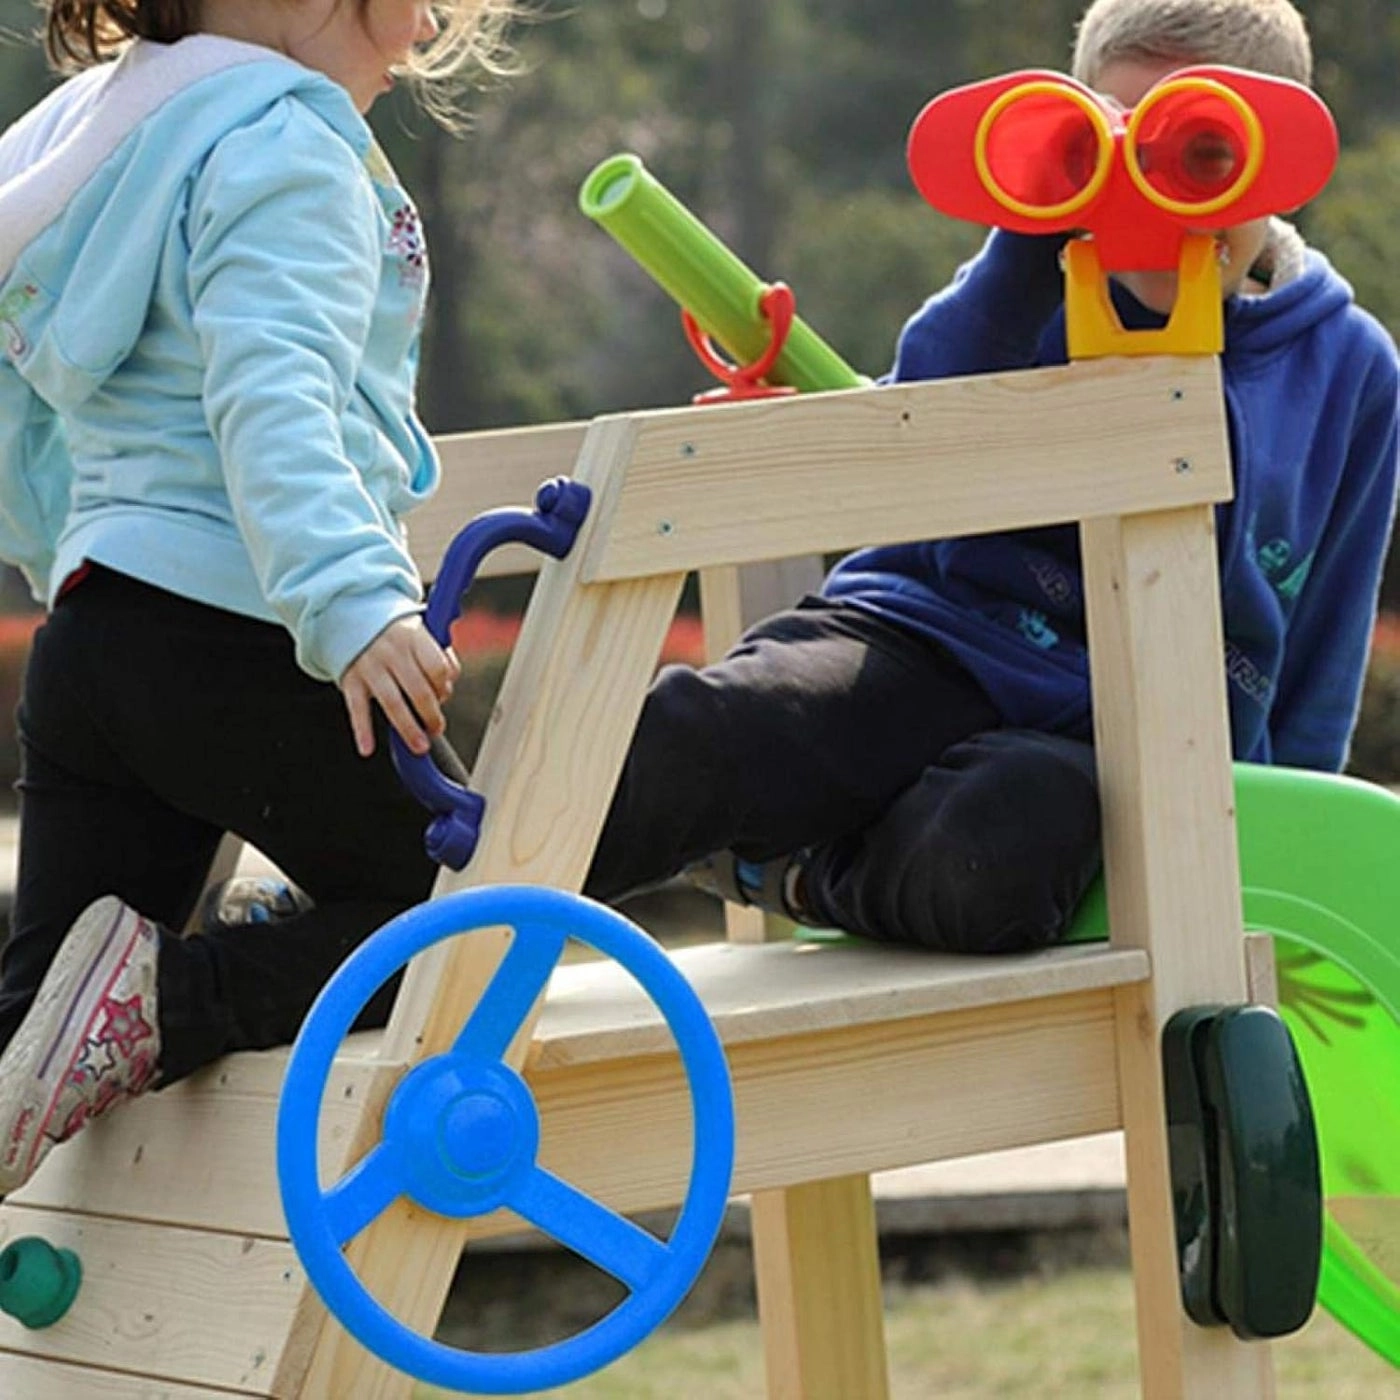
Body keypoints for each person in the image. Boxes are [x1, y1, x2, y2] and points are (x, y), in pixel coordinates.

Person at [585, 0, 1400, 958]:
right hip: (927, 635)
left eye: (1202, 155)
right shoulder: (1034, 278)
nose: (1152, 196)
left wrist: (1288, 858)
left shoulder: (1349, 368)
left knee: (1004, 844)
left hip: (1117, 736)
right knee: (705, 732)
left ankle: (795, 869)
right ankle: (413, 928)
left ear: (1284, 164)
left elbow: (1323, 652)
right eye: (1110, 146)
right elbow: (920, 413)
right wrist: (1039, 222)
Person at [0, 0, 516, 1193]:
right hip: (230, 635)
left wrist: (51, 536)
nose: (427, 29)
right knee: (472, 929)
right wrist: (354, 601)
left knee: (35, 1025)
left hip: (95, 630)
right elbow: (272, 395)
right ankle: (182, 995)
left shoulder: (107, 136)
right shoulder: (287, 145)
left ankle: (149, 994)